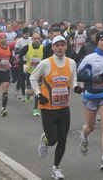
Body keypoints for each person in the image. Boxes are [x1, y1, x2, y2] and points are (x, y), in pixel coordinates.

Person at [30, 36, 77, 180]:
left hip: (63, 107)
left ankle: (56, 167)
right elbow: (33, 78)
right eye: (57, 45)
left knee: (62, 140)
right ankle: (45, 139)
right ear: (52, 48)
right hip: (48, 108)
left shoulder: (71, 62)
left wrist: (76, 87)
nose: (60, 48)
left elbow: (73, 81)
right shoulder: (45, 63)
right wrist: (38, 94)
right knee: (53, 140)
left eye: (63, 45)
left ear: (66, 47)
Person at [76, 31, 103, 170]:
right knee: (90, 127)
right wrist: (92, 78)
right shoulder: (89, 58)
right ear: (97, 42)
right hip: (90, 95)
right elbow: (77, 75)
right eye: (102, 40)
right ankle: (84, 136)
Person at [19, 32, 43, 116]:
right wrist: (24, 64)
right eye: (35, 38)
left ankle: (35, 109)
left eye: (38, 38)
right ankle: (27, 93)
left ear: (40, 39)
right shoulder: (27, 47)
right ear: (32, 39)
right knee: (31, 92)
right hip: (30, 73)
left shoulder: (43, 48)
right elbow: (20, 55)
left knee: (38, 91)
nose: (36, 40)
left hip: (39, 73)